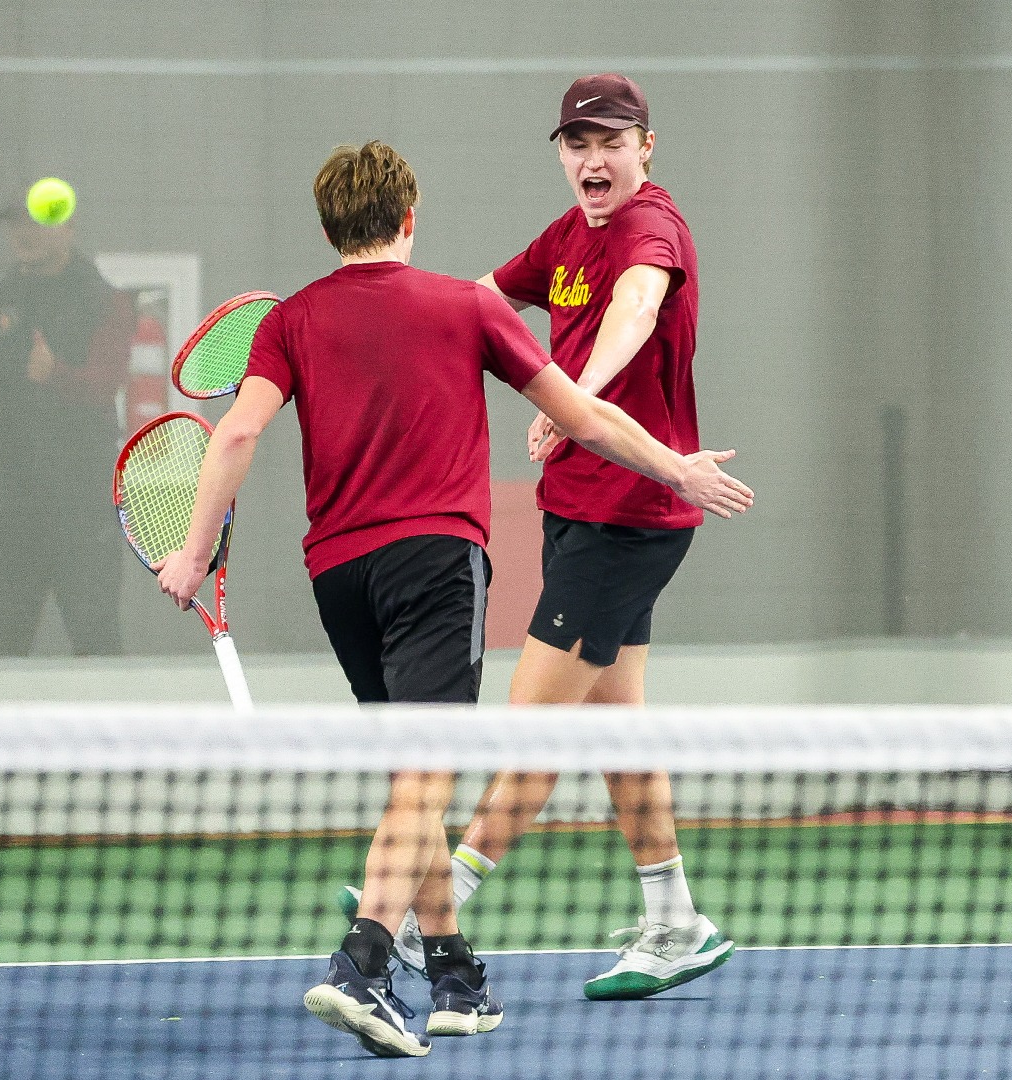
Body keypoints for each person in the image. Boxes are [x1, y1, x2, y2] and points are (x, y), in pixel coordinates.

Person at [154, 141, 751, 1058]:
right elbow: (584, 416)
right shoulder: (466, 307)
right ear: (410, 219)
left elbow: (235, 432)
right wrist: (677, 468)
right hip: (434, 563)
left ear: (327, 229)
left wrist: (194, 552)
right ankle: (361, 963)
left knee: (410, 777)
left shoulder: (293, 321)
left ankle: (455, 972)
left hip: (338, 575)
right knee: (428, 774)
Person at [345, 73, 733, 1002]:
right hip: (577, 508)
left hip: (628, 518)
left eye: (611, 142)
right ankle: (675, 919)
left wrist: (578, 398)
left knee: (533, 725)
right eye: (576, 144)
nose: (593, 160)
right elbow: (472, 303)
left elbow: (637, 311)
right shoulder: (567, 237)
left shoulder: (651, 232)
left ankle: (423, 908)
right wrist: (372, 322)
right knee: (613, 721)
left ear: (647, 145)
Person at [0, 193, 128, 657]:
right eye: (14, 225)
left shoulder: (106, 301)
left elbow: (104, 386)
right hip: (7, 506)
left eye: (37, 223)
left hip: (81, 507)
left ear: (67, 229)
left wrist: (54, 375)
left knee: (96, 640)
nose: (23, 234)